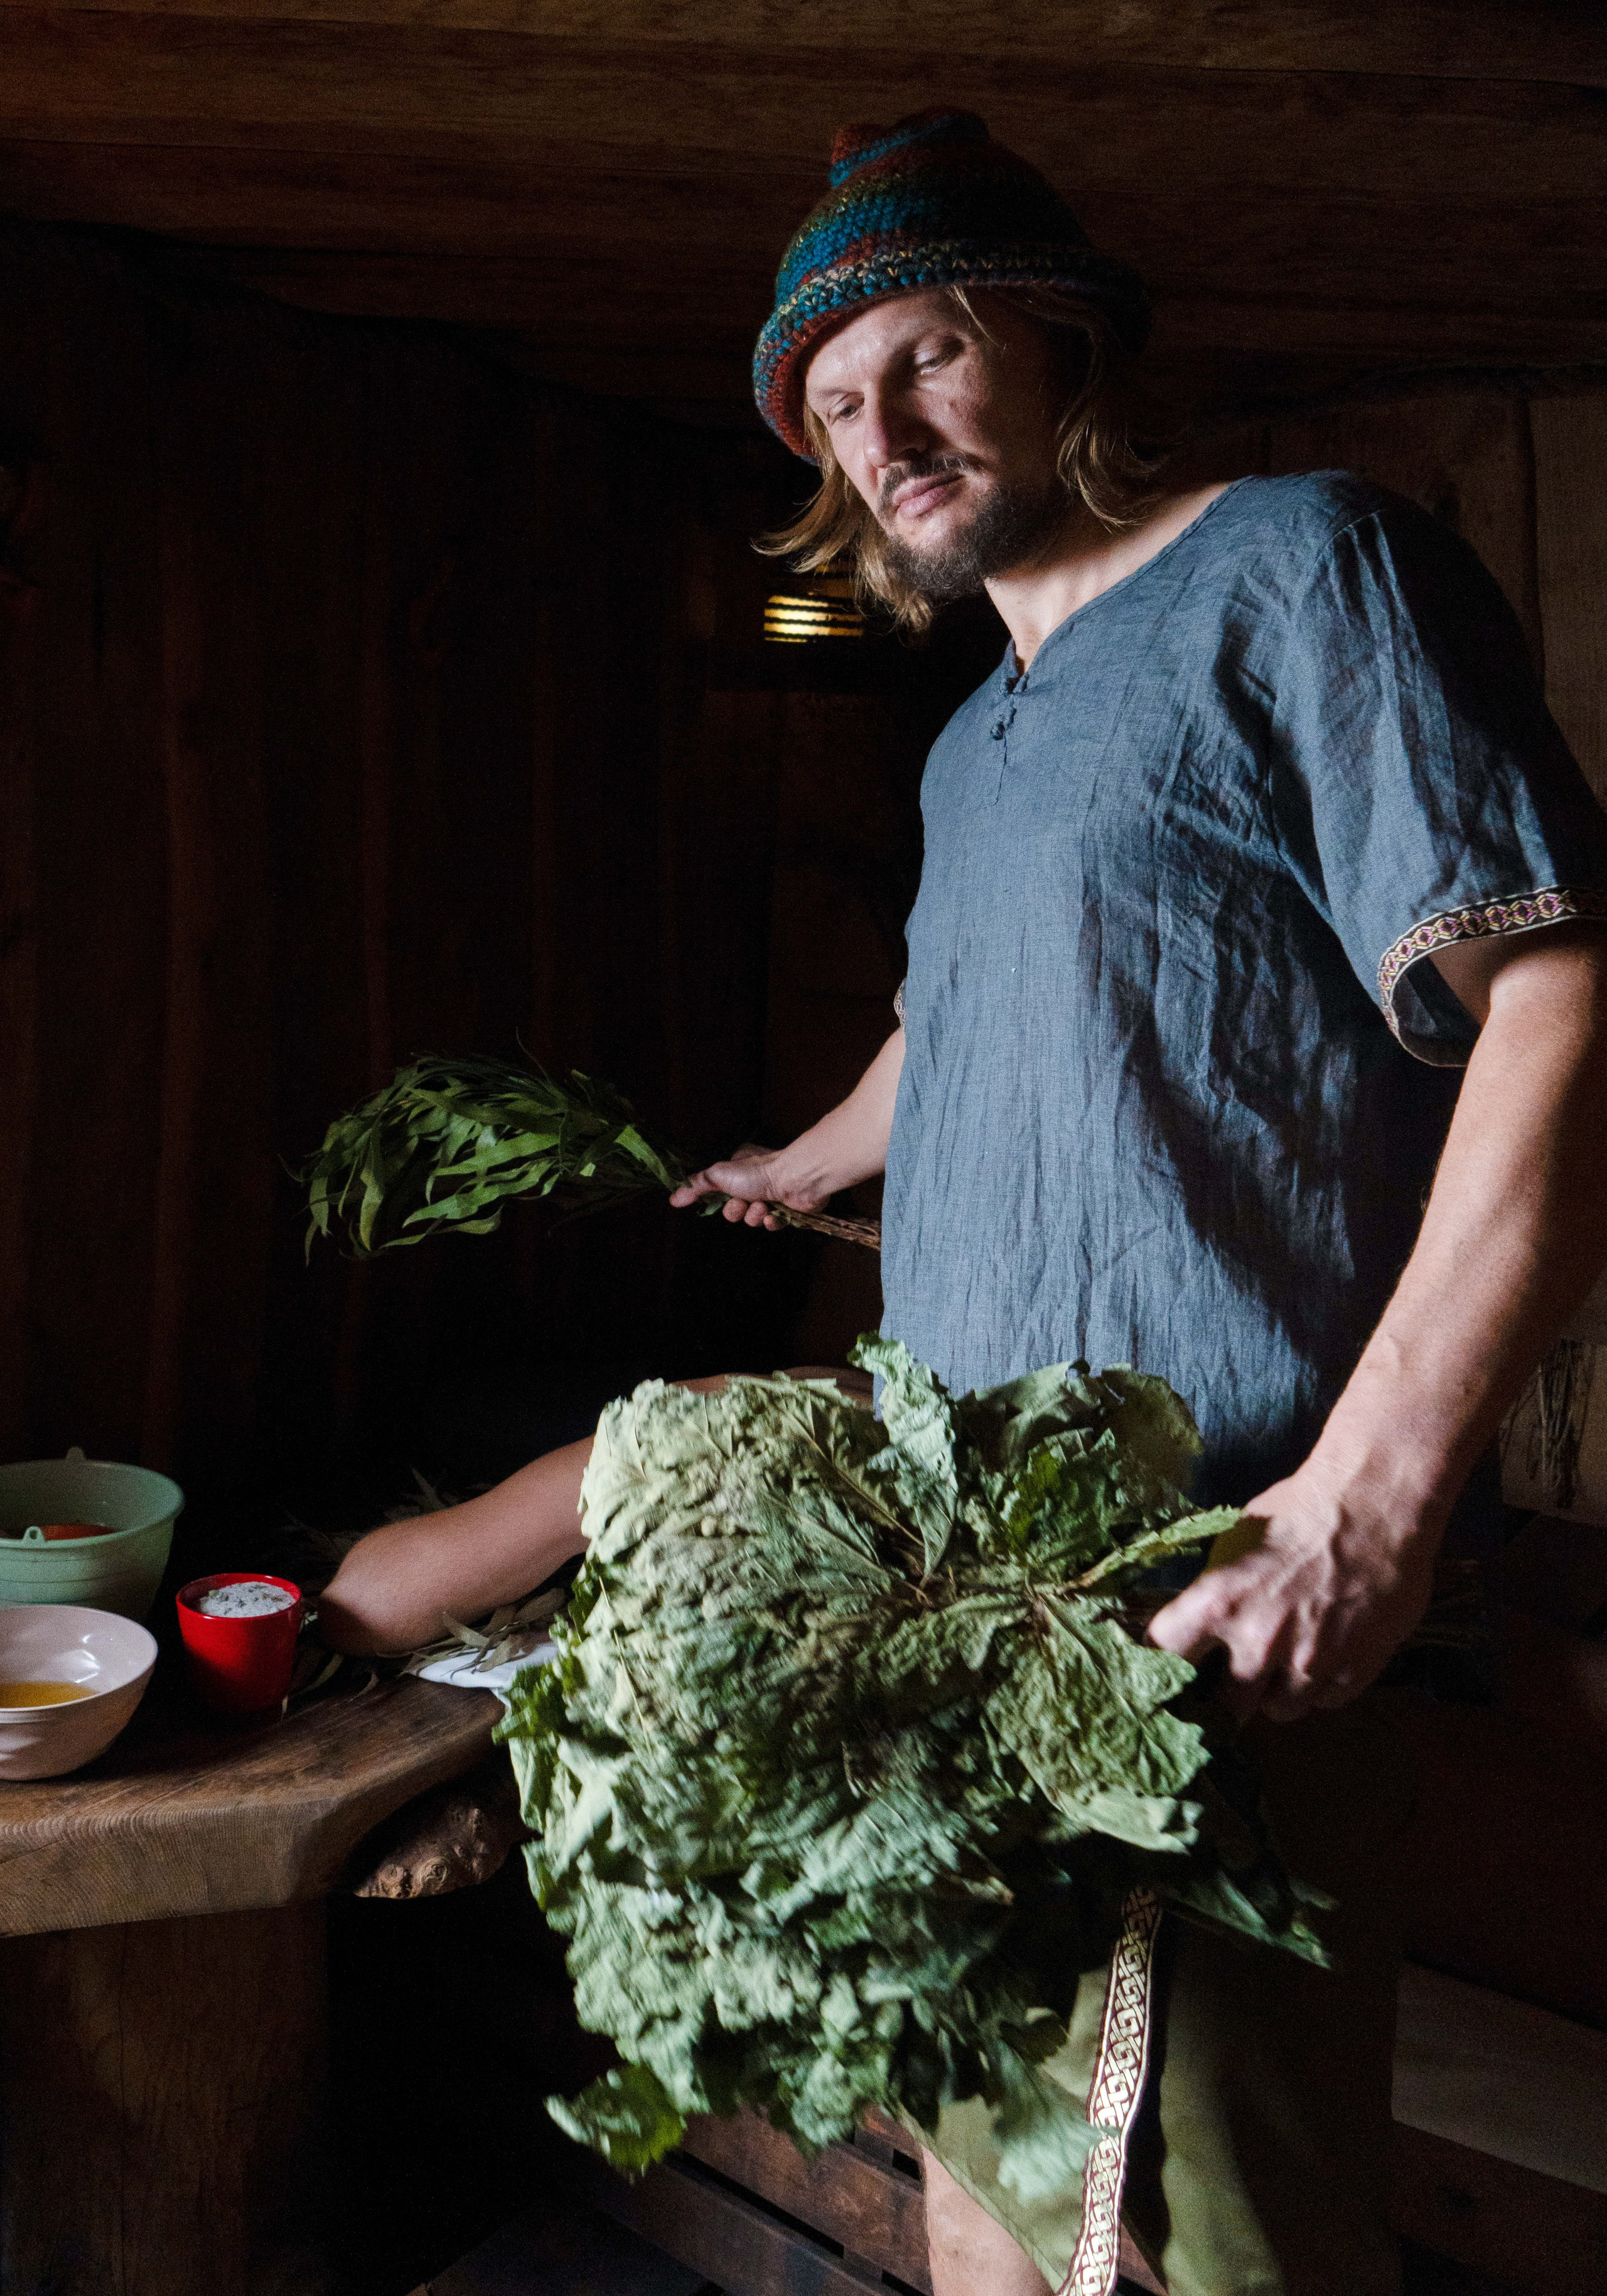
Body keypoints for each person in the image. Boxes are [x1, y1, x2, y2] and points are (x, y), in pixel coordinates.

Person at [323, 111, 1607, 2296]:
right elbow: (967, 1015)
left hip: (1211, 1609)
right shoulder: (973, 740)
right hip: (945, 1615)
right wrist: (811, 1155)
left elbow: (1561, 988)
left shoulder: (1303, 565)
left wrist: (1370, 1500)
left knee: (1207, 2252)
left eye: (921, 355)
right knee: (984, 2211)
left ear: (1067, 339)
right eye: (831, 405)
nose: (881, 429)